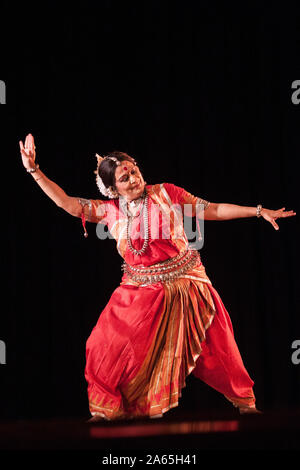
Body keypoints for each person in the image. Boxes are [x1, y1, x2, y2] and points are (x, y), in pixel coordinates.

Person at [19, 133, 295, 421]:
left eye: (134, 171)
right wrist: (33, 170)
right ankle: (106, 413)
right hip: (141, 288)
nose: (134, 179)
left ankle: (246, 406)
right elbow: (67, 203)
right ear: (113, 188)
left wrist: (258, 211)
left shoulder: (167, 194)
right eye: (125, 179)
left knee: (219, 346)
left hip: (188, 281)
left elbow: (211, 209)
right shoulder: (109, 211)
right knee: (104, 343)